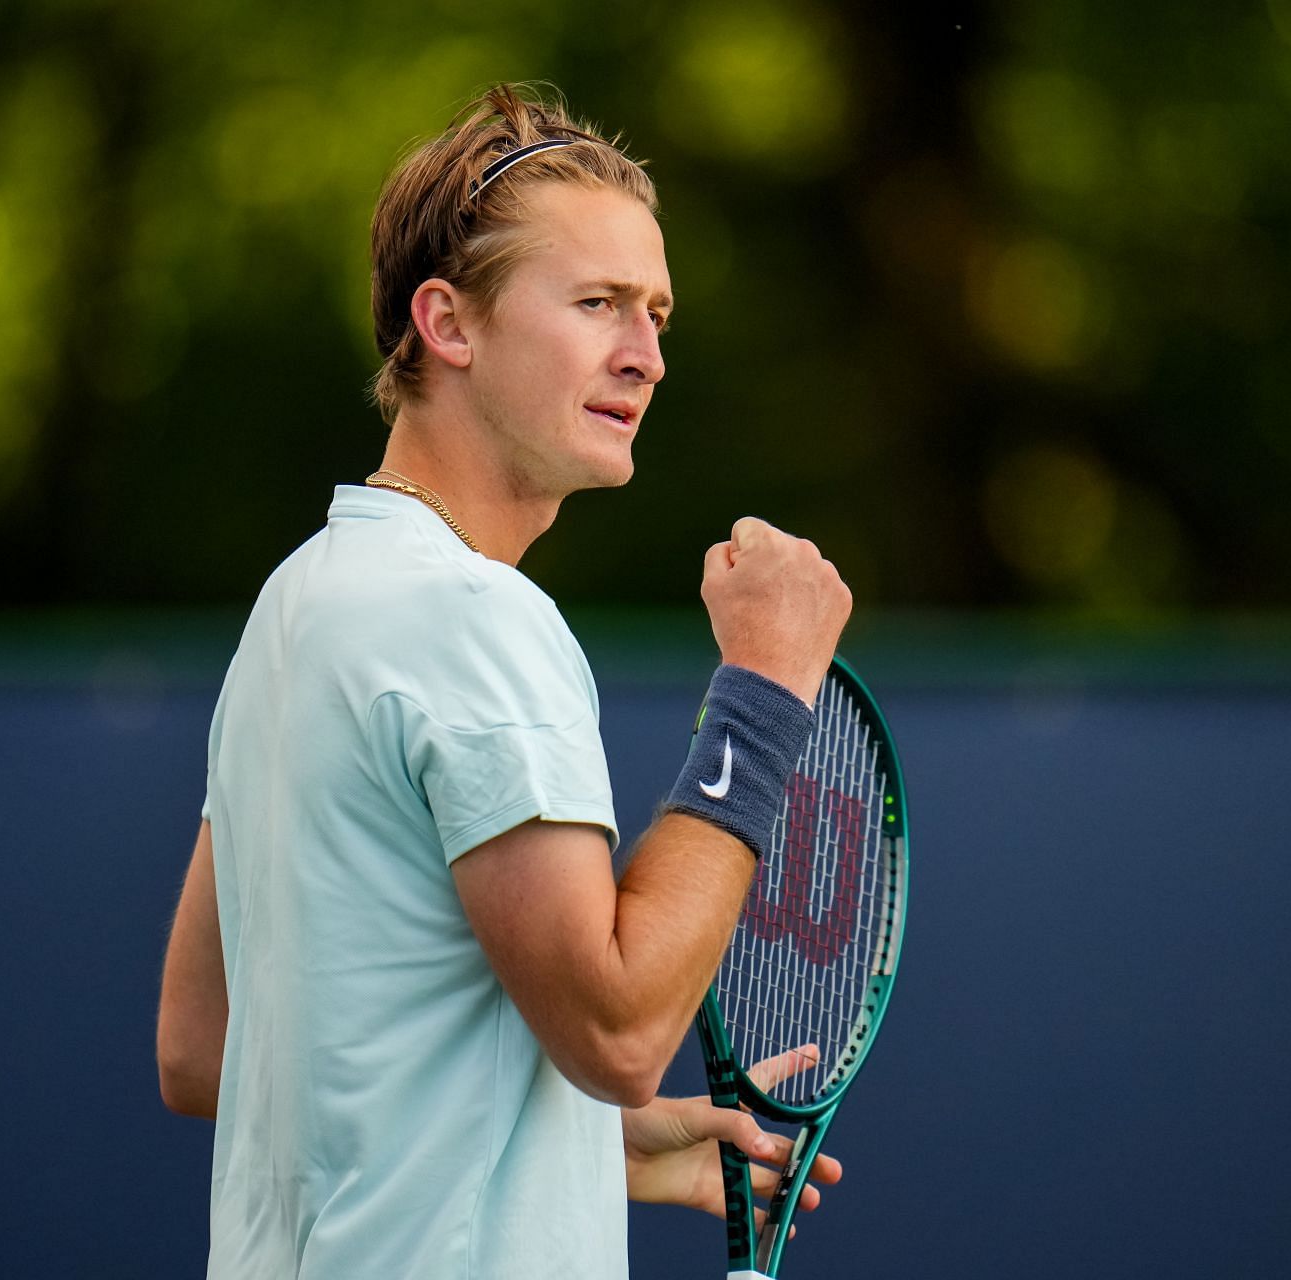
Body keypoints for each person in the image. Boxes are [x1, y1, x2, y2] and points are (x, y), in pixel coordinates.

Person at [154, 83, 852, 1278]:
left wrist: (585, 1141)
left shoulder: (300, 602)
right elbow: (625, 1027)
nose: (646, 354)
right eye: (597, 304)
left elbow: (208, 1045)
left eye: (657, 314)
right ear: (449, 323)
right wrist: (768, 686)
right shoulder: (474, 614)